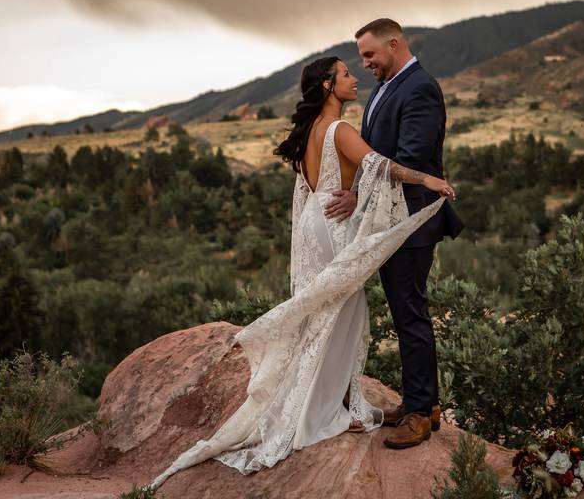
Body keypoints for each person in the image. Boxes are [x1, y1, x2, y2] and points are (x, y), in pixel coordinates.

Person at [145, 54, 455, 490]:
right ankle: (322, 408)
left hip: (317, 220)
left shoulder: (311, 131)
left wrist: (348, 191)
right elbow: (379, 166)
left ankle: (332, 400)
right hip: (332, 227)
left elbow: (333, 180)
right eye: (346, 74)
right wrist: (428, 180)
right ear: (328, 87)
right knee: (339, 314)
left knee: (324, 311)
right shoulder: (339, 129)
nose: (354, 78)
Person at [325, 18, 463, 449]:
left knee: (411, 315)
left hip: (412, 220)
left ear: (394, 44)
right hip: (391, 220)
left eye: (370, 55)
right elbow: (374, 155)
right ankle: (420, 402)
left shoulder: (419, 86)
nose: (364, 64)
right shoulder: (389, 86)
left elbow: (410, 159)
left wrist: (358, 196)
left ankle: (421, 414)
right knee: (407, 315)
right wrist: (353, 194)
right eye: (361, 57)